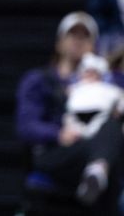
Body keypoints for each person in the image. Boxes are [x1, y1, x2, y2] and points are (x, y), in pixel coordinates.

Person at [16, 11, 124, 210]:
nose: (78, 41)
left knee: (111, 129)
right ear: (59, 42)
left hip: (97, 146)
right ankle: (98, 171)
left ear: (95, 46)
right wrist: (58, 133)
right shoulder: (39, 80)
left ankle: (96, 173)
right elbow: (26, 125)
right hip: (58, 152)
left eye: (85, 36)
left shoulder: (108, 82)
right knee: (110, 146)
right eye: (73, 34)